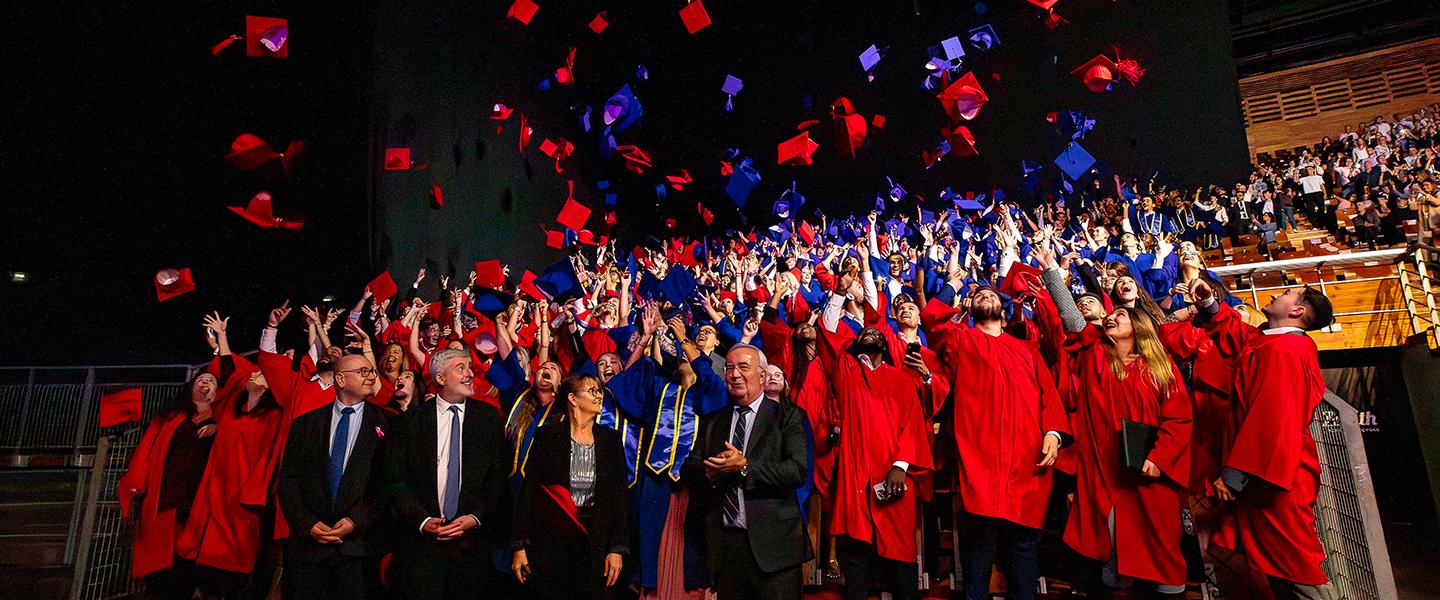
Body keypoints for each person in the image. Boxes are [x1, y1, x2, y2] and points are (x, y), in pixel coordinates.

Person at [923, 275, 1069, 600]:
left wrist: (1054, 433)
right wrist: (953, 284)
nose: (985, 296)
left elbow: (1049, 394)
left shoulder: (1026, 350)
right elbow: (932, 319)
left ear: (1003, 311)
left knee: (1024, 551)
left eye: (991, 294)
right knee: (978, 552)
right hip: (981, 463)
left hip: (1026, 463)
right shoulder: (960, 341)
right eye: (979, 295)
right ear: (969, 309)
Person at [1191, 279, 1339, 600]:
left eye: (1286, 294)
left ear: (1297, 310)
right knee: (1274, 569)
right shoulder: (1273, 341)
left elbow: (1272, 419)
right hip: (1264, 477)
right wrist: (1208, 304)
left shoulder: (1286, 351)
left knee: (1295, 568)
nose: (1274, 294)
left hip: (1274, 482)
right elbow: (1239, 336)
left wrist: (1234, 477)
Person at [1050, 288, 1193, 598]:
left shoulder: (1160, 367)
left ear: (1139, 325)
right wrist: (1053, 275)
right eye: (1110, 315)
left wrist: (1159, 457)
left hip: (1149, 473)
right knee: (1114, 557)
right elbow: (1075, 323)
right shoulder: (1095, 358)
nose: (1111, 316)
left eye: (1120, 314)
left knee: (1161, 550)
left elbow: (1179, 419)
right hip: (1107, 473)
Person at [681, 344, 812, 600]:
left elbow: (796, 471)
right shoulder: (713, 421)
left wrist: (744, 466)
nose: (734, 374)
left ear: (762, 376)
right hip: (727, 550)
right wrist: (711, 470)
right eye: (729, 368)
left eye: (743, 367)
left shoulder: (788, 416)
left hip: (775, 549)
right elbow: (689, 469)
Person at [174, 313, 285, 592]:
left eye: (261, 374)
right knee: (205, 560)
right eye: (254, 372)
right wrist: (222, 337)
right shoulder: (230, 408)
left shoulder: (273, 416)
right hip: (216, 491)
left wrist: (256, 492)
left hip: (244, 496)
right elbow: (228, 368)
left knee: (236, 563)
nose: (254, 375)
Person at [388, 348, 508, 599]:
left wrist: (475, 517)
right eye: (460, 368)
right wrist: (421, 520)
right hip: (422, 547)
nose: (469, 374)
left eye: (470, 368)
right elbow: (396, 478)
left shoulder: (488, 418)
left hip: (472, 547)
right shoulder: (412, 420)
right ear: (440, 378)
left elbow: (497, 478)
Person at [276, 352, 391, 600]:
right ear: (340, 379)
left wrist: (355, 522)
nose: (371, 376)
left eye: (371, 371)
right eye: (363, 372)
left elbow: (386, 485)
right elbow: (288, 480)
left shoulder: (389, 424)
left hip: (359, 551)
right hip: (308, 549)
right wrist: (306, 524)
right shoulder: (305, 423)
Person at [510, 374, 629, 599]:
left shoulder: (610, 440)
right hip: (552, 544)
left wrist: (617, 548)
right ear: (573, 399)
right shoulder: (547, 437)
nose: (599, 396)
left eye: (599, 391)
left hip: (596, 542)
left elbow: (619, 497)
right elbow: (530, 492)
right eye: (592, 391)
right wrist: (519, 546)